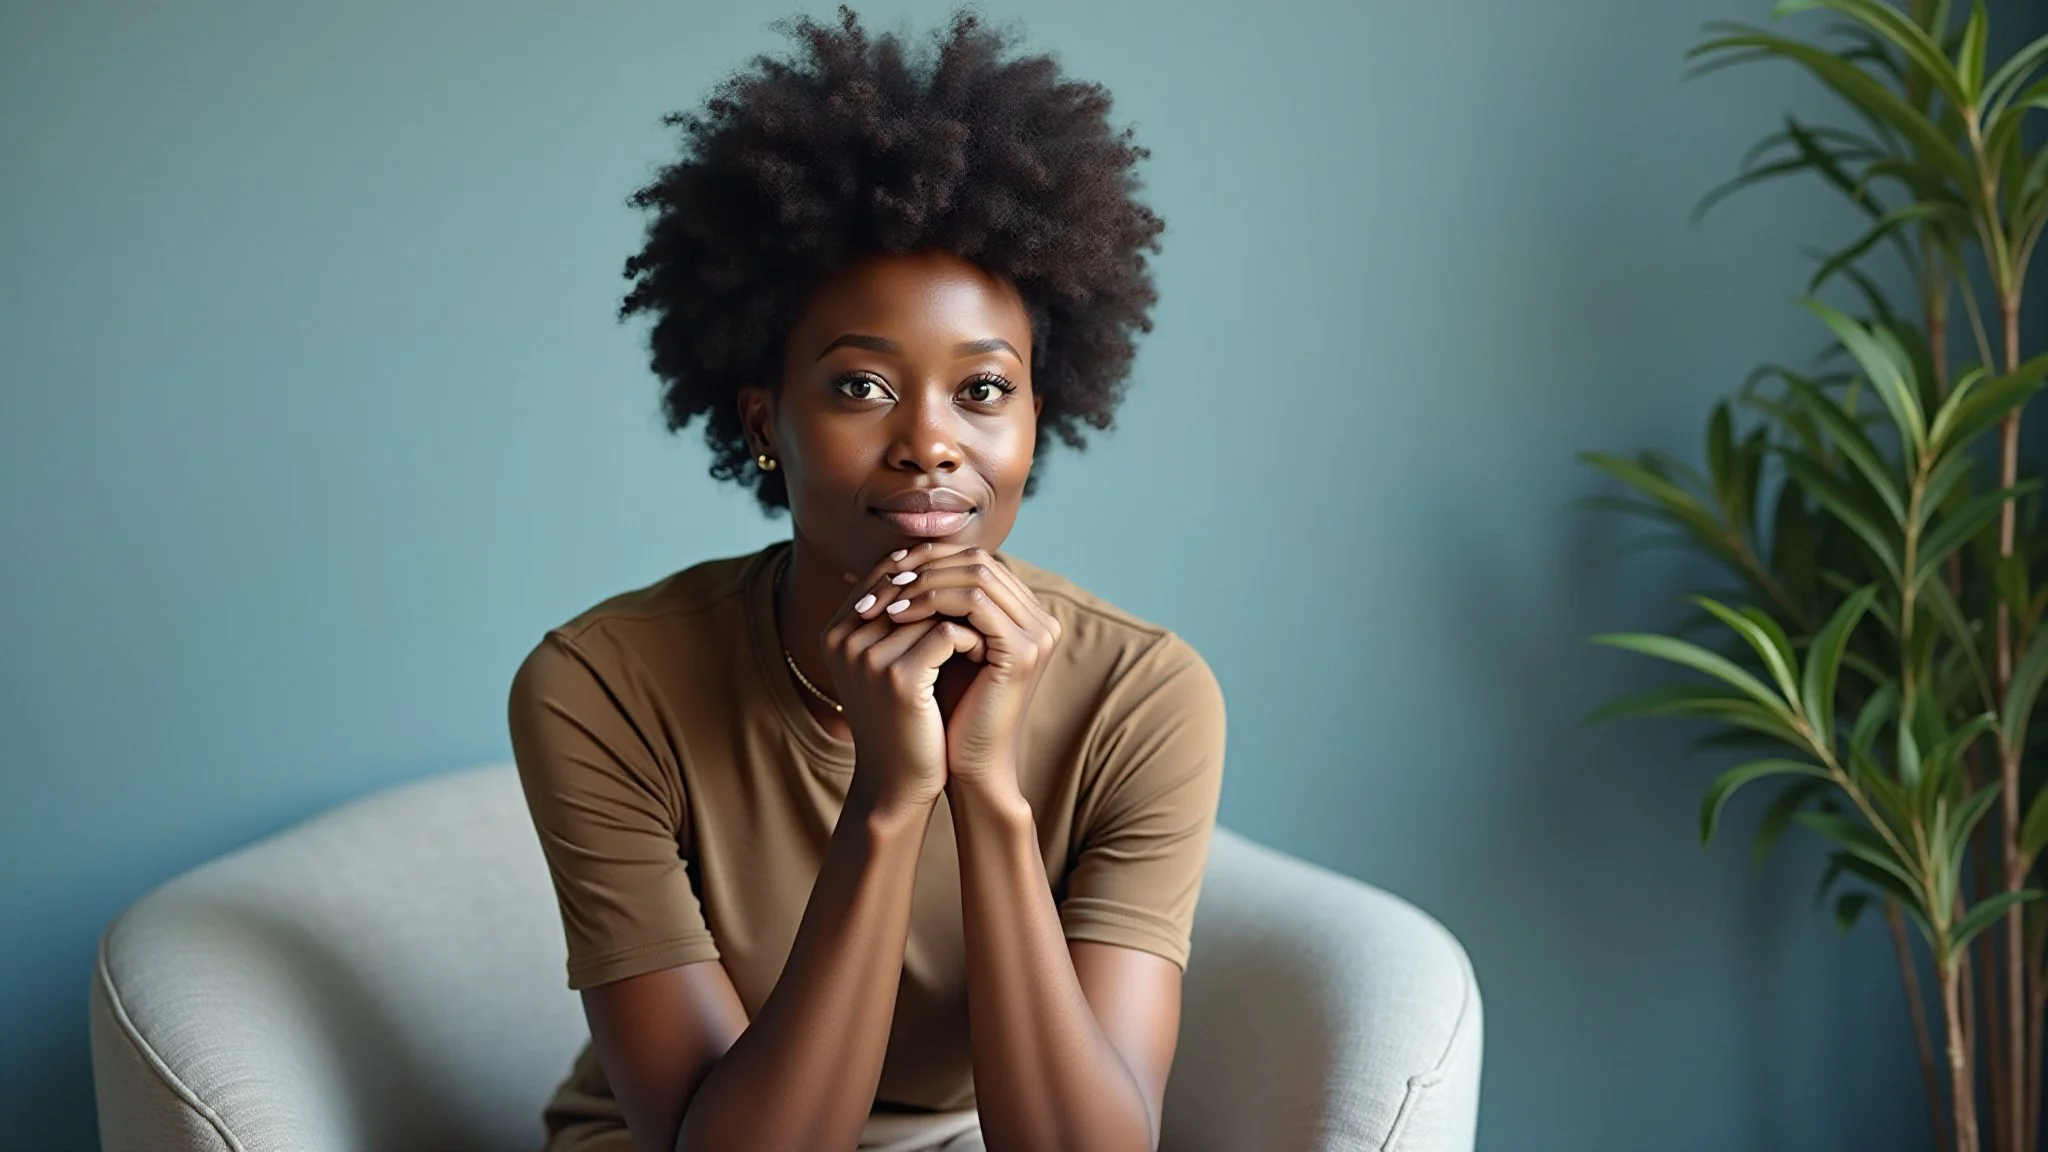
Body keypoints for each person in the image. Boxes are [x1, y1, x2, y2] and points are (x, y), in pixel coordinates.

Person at [506, 9, 1225, 1151]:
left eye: (984, 390)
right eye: (859, 388)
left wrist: (983, 791)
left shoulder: (1142, 696)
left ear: (1042, 416)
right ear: (763, 424)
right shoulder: (603, 687)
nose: (931, 444)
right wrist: (889, 799)